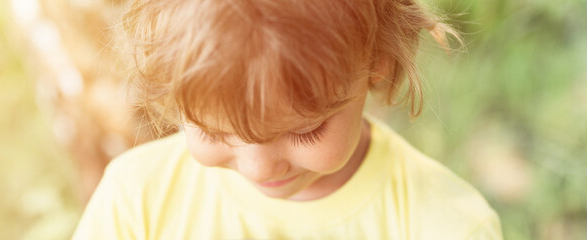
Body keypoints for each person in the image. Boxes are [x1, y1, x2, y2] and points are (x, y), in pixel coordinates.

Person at [73, 0, 502, 239]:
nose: (259, 166)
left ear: (378, 63)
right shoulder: (136, 201)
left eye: (304, 129)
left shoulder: (446, 225)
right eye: (214, 128)